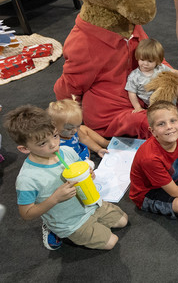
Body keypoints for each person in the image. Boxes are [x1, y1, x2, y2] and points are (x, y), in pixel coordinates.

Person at [5, 105, 128, 250]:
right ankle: (53, 228)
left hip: (92, 205)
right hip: (70, 221)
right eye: (43, 143)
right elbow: (26, 214)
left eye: (55, 135)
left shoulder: (67, 151)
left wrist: (88, 174)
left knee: (123, 221)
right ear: (24, 149)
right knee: (111, 242)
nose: (54, 145)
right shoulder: (27, 179)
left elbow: (80, 171)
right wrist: (54, 199)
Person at [125, 38, 178, 123]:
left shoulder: (159, 68)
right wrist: (137, 107)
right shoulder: (134, 76)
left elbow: (173, 71)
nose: (145, 64)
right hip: (155, 103)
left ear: (157, 61)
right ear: (137, 58)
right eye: (142, 60)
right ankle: (172, 115)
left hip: (168, 95)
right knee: (162, 113)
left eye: (150, 61)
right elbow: (131, 93)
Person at [47, 99, 109, 169]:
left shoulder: (74, 130)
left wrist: (99, 149)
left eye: (77, 126)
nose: (75, 130)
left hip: (81, 151)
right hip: (74, 161)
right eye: (69, 129)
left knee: (83, 128)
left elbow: (85, 138)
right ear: (53, 127)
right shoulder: (54, 141)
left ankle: (106, 143)